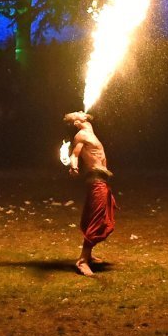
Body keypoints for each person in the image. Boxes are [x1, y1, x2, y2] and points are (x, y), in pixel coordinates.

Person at [63, 111, 116, 276]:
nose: (81, 111)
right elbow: (75, 154)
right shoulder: (82, 135)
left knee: (98, 214)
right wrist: (74, 166)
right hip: (96, 181)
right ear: (79, 120)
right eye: (78, 113)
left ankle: (89, 256)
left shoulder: (91, 133)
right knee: (97, 218)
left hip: (102, 180)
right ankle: (82, 261)